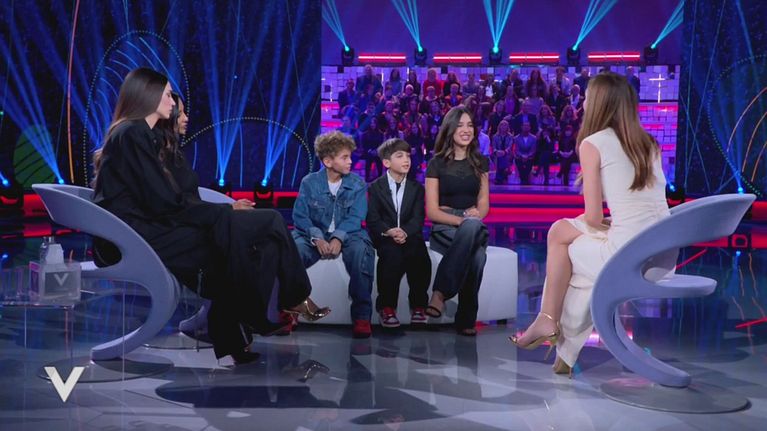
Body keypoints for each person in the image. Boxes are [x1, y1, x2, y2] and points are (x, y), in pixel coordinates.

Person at [92, 68, 329, 364]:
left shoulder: (141, 134)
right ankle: (288, 300)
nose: (172, 102)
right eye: (167, 95)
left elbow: (167, 198)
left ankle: (237, 329)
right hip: (140, 234)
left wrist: (221, 212)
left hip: (156, 225)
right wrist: (223, 211)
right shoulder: (132, 132)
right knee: (268, 222)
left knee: (260, 243)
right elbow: (162, 200)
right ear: (148, 95)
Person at [509, 72, 671, 376]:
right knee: (577, 260)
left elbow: (594, 216)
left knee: (561, 237)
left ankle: (547, 320)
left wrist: (605, 225)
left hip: (627, 255)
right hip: (662, 256)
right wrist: (614, 224)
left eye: (586, 97)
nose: (583, 102)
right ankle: (562, 353)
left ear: (599, 103)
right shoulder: (649, 143)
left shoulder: (593, 143)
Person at [292, 131, 376, 338]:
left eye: (350, 156)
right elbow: (300, 216)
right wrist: (317, 237)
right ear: (328, 161)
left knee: (361, 252)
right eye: (344, 157)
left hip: (349, 232)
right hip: (313, 233)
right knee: (293, 252)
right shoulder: (309, 182)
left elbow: (356, 216)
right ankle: (290, 309)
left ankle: (362, 316)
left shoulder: (357, 184)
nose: (350, 161)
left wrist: (338, 237)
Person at [423, 106, 490, 336]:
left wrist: (475, 216)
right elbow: (432, 211)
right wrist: (463, 220)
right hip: (445, 228)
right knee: (478, 256)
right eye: (460, 125)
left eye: (470, 125)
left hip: (473, 225)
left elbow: (483, 203)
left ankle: (439, 293)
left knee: (473, 227)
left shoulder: (481, 162)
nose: (466, 130)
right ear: (450, 129)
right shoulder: (436, 163)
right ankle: (466, 318)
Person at [366, 138, 432, 328]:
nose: (406, 160)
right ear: (387, 162)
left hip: (410, 235)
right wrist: (389, 231)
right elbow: (373, 218)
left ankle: (419, 306)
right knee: (391, 255)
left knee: (419, 255)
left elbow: (418, 218)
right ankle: (386, 307)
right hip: (385, 236)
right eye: (400, 156)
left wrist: (404, 232)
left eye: (408, 156)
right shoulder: (375, 187)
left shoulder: (417, 188)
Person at [492, 120, 513, 185]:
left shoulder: (510, 136)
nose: (503, 127)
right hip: (497, 154)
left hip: (507, 154)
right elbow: (494, 147)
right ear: (499, 127)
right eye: (502, 125)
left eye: (505, 125)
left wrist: (505, 152)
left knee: (503, 157)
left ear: (508, 127)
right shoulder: (495, 136)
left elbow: (510, 147)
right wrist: (497, 151)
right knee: (499, 158)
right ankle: (503, 176)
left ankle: (499, 178)